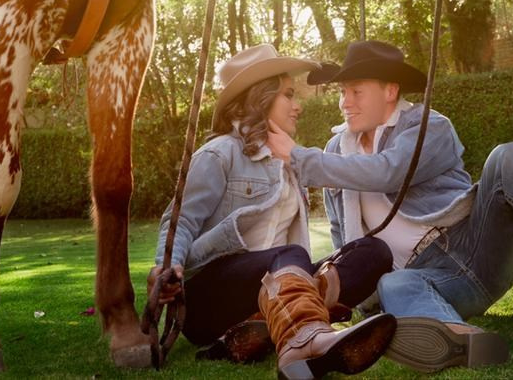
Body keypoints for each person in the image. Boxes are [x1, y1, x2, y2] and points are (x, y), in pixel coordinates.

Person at [266, 40, 513, 374]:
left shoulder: (429, 127)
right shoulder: (337, 151)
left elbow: (389, 172)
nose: (344, 103)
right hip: (422, 278)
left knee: (511, 157)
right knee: (393, 283)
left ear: (390, 91)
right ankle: (460, 339)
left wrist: (301, 158)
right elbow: (341, 235)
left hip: (475, 244)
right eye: (342, 93)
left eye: (355, 91)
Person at [149, 43, 396, 379]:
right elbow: (179, 222)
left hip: (273, 289)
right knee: (288, 254)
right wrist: (168, 267)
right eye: (289, 95)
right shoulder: (220, 154)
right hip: (206, 303)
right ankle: (306, 337)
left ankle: (257, 332)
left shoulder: (289, 164)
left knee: (373, 252)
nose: (298, 106)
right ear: (261, 99)